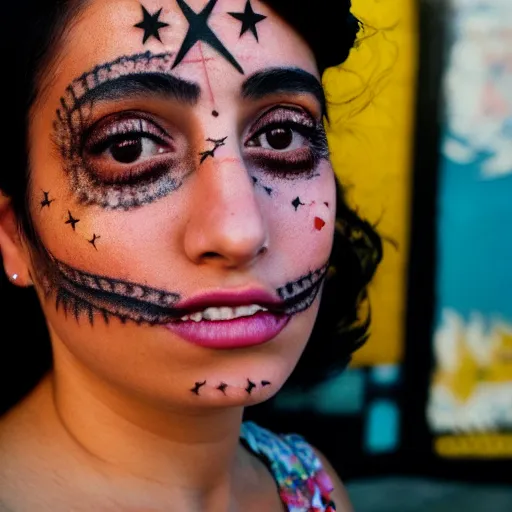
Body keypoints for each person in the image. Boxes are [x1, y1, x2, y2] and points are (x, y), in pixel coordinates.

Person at [0, 0, 382, 510]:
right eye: (130, 147)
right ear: (13, 233)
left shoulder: (312, 488)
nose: (239, 231)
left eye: (280, 135)